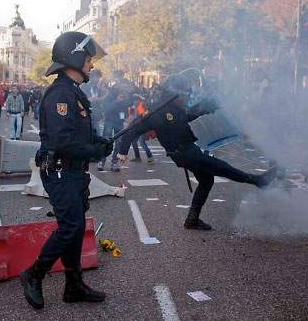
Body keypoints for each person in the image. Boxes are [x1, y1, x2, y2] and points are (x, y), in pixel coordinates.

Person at [117, 71, 279, 231]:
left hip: (187, 151)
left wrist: (212, 104)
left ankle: (192, 219)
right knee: (220, 166)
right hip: (184, 153)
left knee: (207, 180)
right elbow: (132, 129)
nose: (187, 97)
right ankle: (258, 181)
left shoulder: (175, 108)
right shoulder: (157, 112)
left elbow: (191, 114)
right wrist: (123, 151)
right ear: (175, 93)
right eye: (185, 94)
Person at [20, 31, 112, 309]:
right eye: (87, 59)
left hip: (73, 170)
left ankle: (73, 285)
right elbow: (63, 142)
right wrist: (93, 151)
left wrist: (99, 143)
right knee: (70, 226)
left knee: (77, 225)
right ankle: (33, 274)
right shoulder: (60, 94)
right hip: (59, 169)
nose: (91, 65)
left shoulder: (74, 92)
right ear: (72, 58)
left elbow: (79, 134)